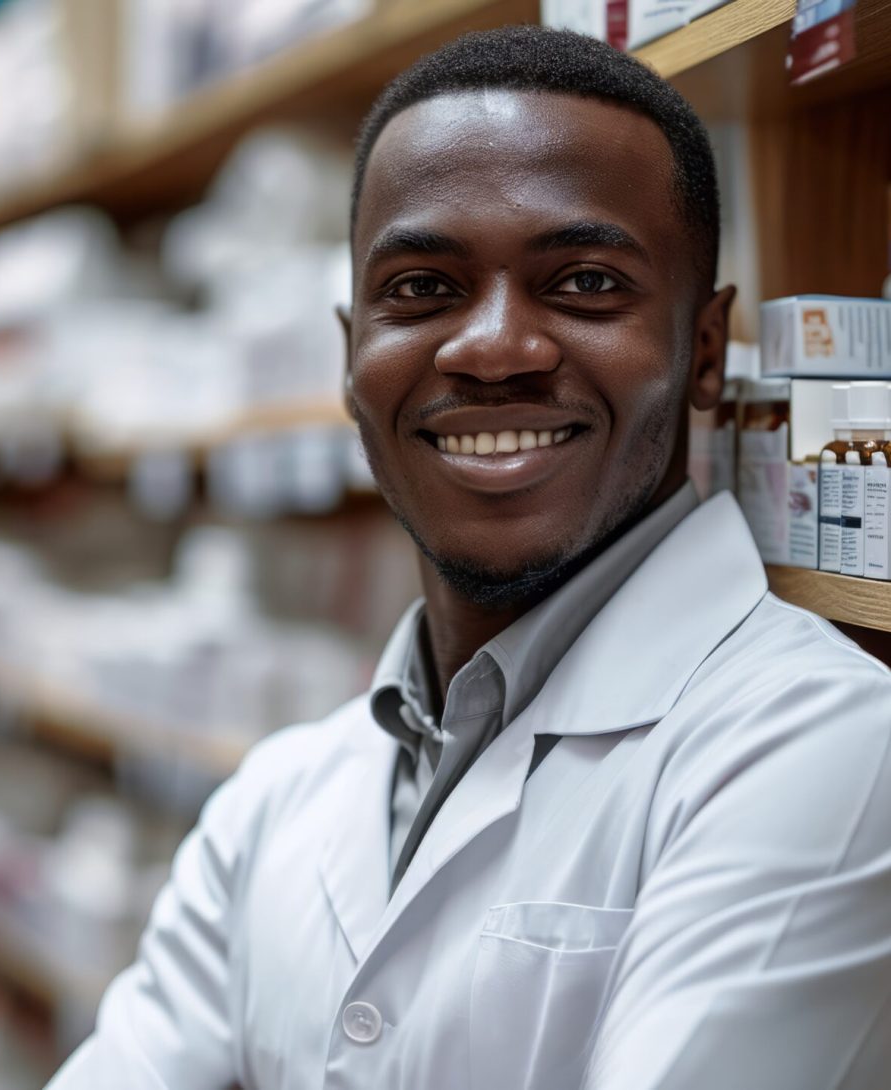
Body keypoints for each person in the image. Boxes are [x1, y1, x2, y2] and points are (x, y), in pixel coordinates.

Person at [47, 26, 891, 1090]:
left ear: (706, 353)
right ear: (350, 353)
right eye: (422, 289)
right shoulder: (273, 801)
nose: (493, 347)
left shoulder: (825, 746)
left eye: (584, 282)